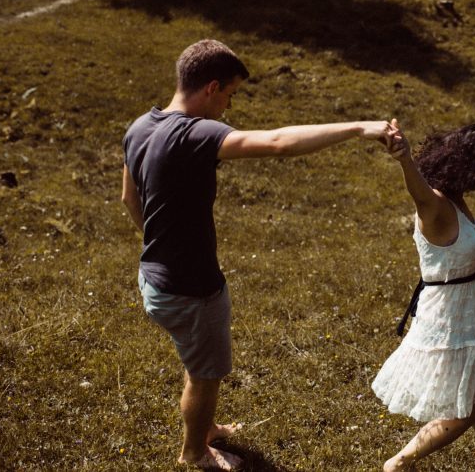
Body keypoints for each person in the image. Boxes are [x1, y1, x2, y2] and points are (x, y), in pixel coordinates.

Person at [121, 39, 394, 471]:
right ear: (211, 87)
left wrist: (160, 243)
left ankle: (206, 429)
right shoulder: (196, 133)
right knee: (205, 373)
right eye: (230, 94)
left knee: (196, 359)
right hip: (190, 288)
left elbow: (128, 200)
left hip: (153, 276)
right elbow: (279, 143)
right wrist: (361, 127)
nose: (229, 106)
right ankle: (195, 451)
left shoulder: (140, 126)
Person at [372, 120, 475, 472]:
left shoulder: (456, 197)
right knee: (464, 407)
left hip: (466, 306)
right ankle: (400, 462)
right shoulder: (436, 204)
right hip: (447, 316)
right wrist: (405, 159)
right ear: (473, 165)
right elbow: (418, 192)